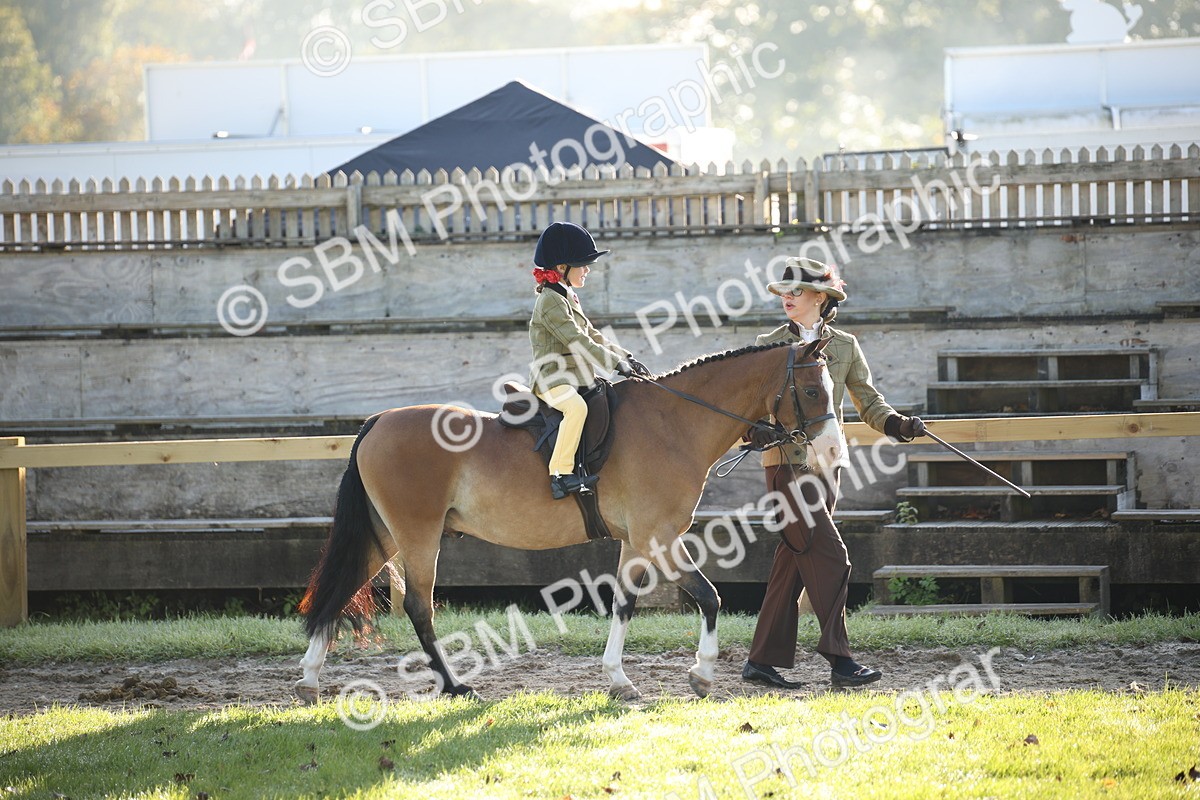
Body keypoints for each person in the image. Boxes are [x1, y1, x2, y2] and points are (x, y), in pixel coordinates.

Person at [742, 257, 926, 689]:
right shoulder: (768, 344)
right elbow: (750, 408)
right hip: (785, 466)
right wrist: (755, 430)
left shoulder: (845, 345)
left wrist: (898, 425)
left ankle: (761, 662)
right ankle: (841, 661)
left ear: (821, 298)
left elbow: (869, 400)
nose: (787, 298)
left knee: (793, 561)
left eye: (797, 292)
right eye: (784, 292)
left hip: (829, 466)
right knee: (832, 558)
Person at [528, 221, 650, 500]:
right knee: (575, 409)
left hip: (576, 376)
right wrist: (614, 364)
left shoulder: (567, 295)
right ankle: (560, 475)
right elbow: (577, 341)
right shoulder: (549, 301)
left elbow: (592, 334)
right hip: (552, 378)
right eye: (582, 264)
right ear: (561, 268)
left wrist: (624, 356)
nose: (587, 270)